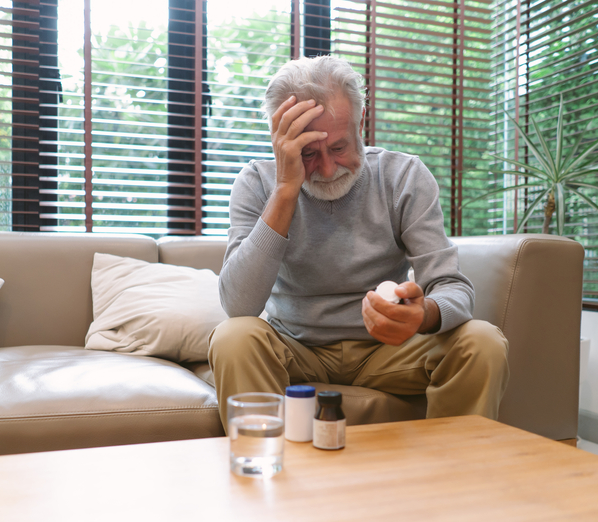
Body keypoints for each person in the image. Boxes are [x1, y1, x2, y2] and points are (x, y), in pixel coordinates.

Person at [208, 55, 510, 429]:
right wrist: (286, 189)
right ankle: (265, 480)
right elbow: (239, 306)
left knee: (482, 341)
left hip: (389, 351)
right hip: (295, 348)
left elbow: (452, 287)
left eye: (338, 147)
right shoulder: (257, 184)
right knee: (233, 338)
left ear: (360, 121)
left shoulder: (403, 176)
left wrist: (423, 315)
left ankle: (450, 480)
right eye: (308, 154)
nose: (328, 169)